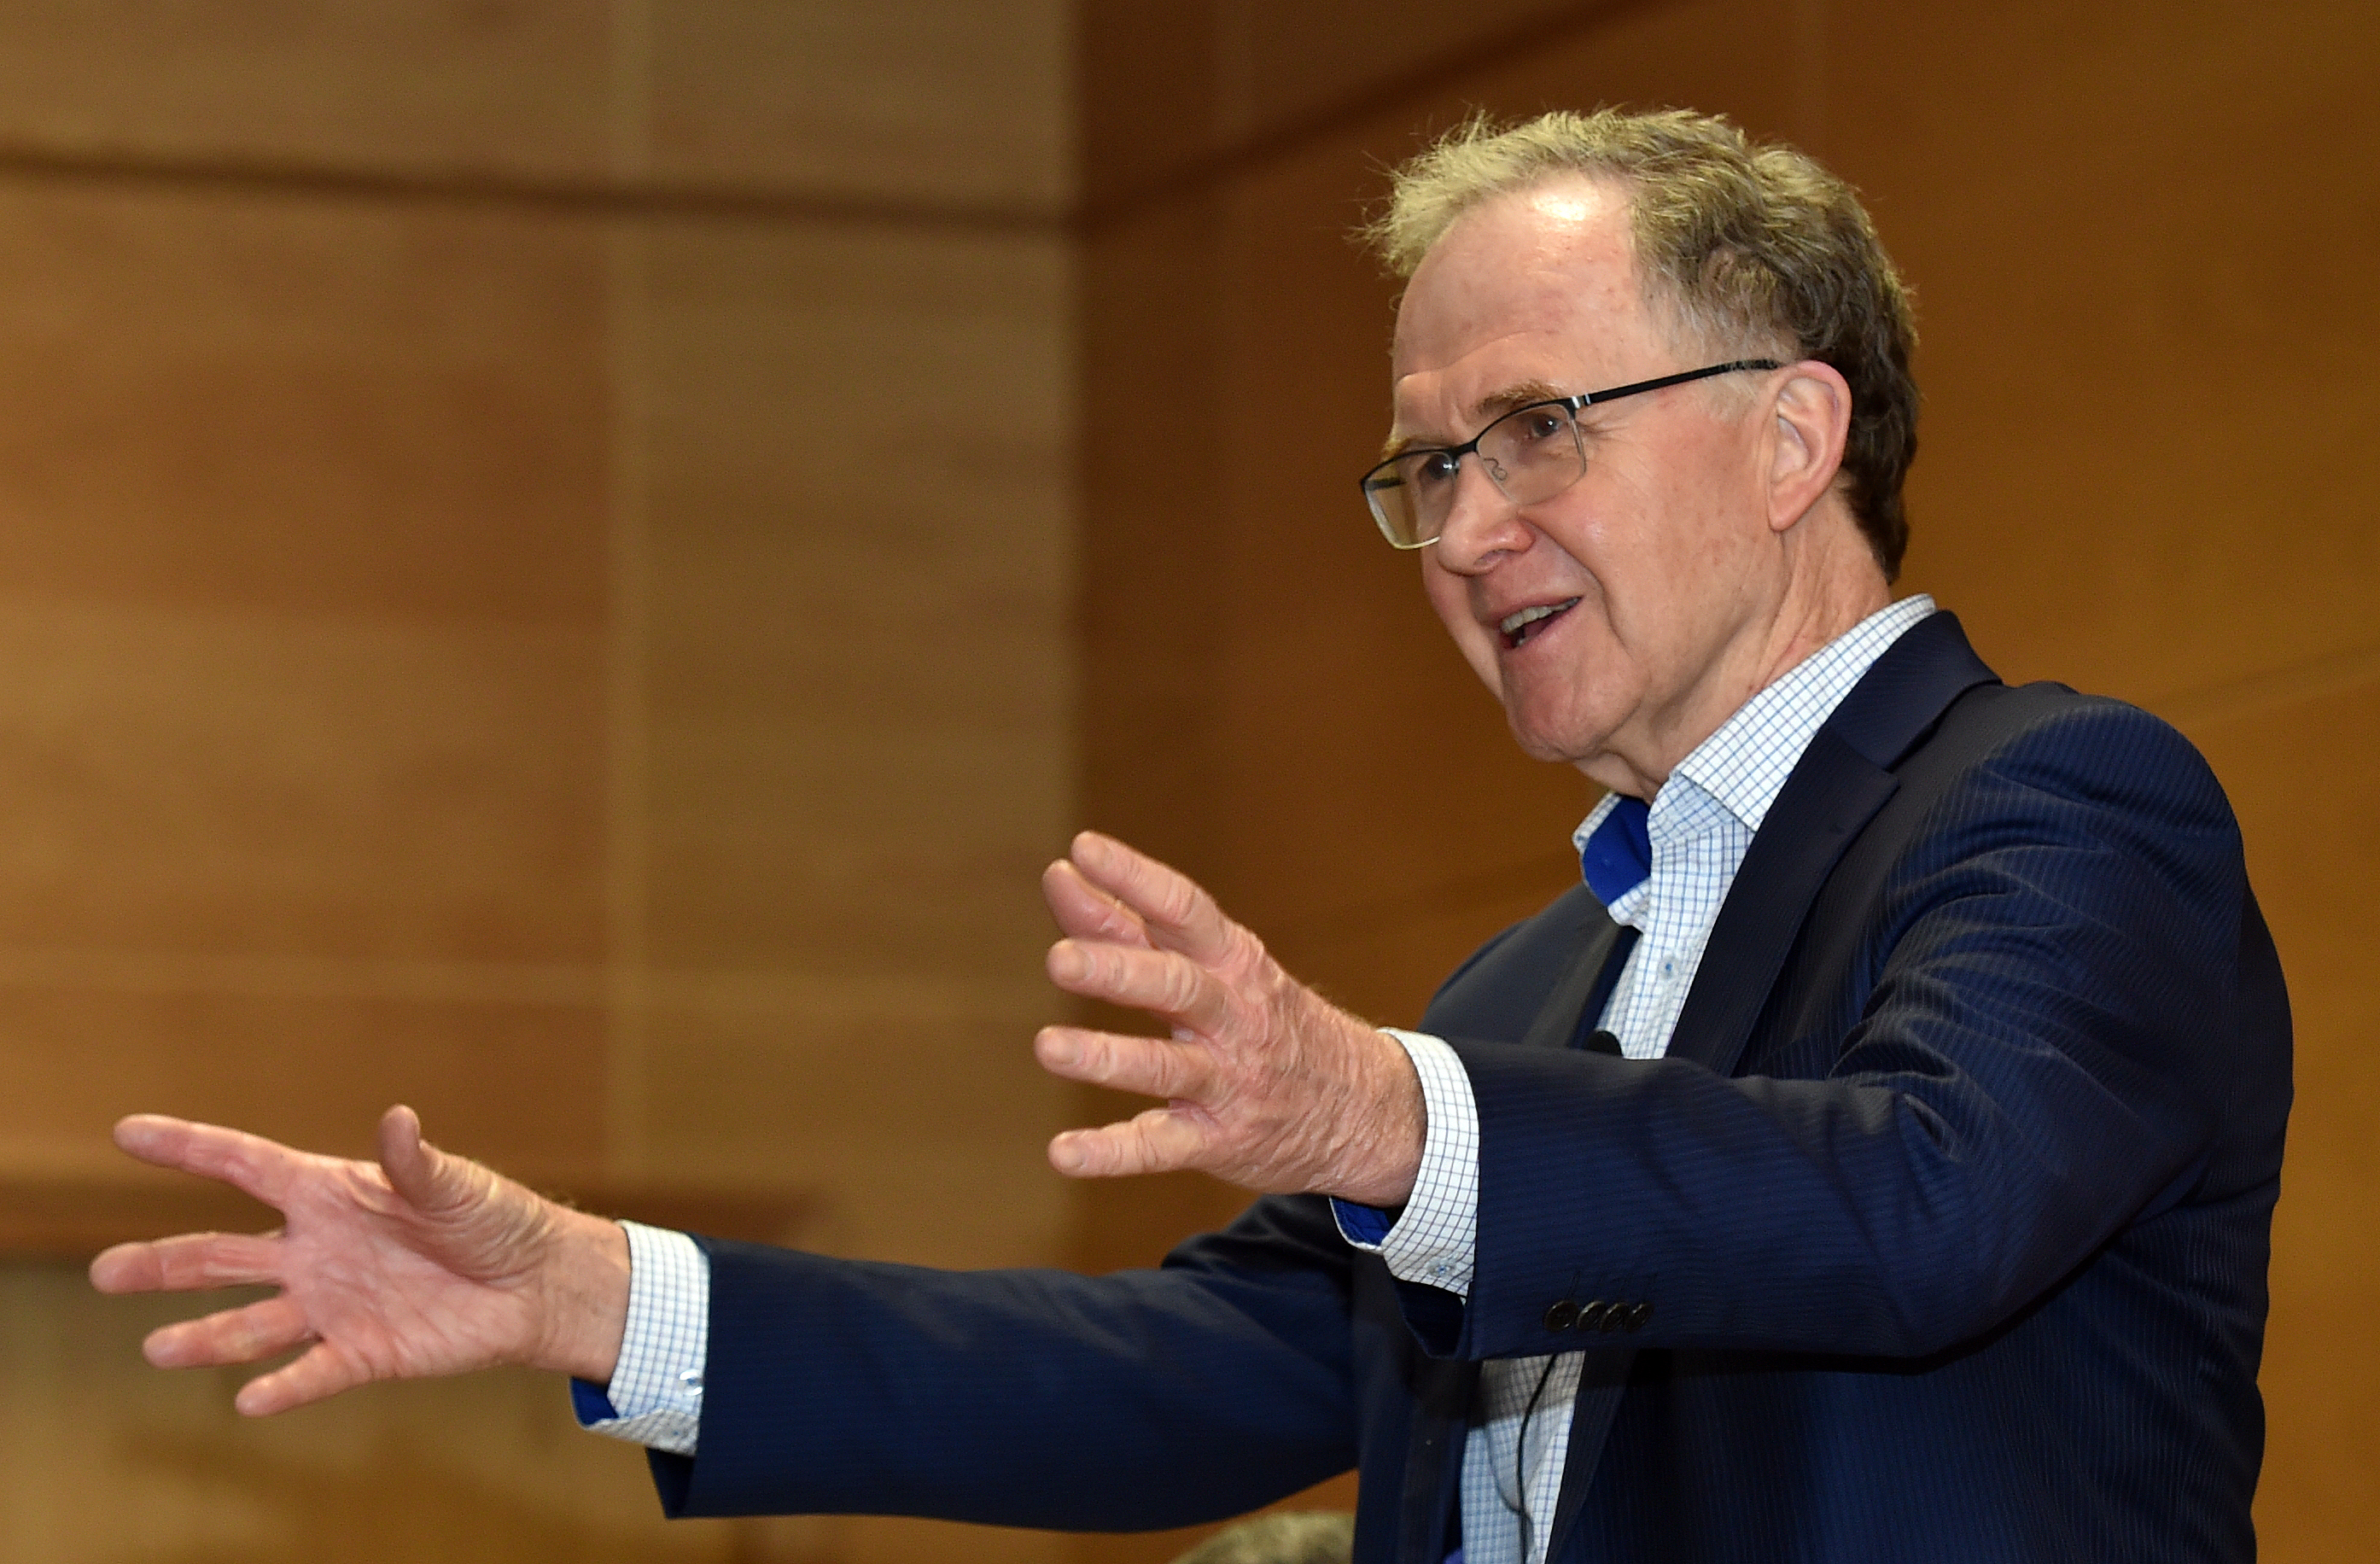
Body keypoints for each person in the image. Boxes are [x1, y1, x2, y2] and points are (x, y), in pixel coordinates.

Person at [89, 109, 2290, 1564]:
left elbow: (1918, 1208)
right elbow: (1169, 1386)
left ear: (1795, 430)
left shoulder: (2056, 809)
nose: (1465, 530)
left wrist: (1377, 1117)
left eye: (1536, 432)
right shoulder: (1530, 1000)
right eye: (1424, 470)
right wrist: (598, 1294)